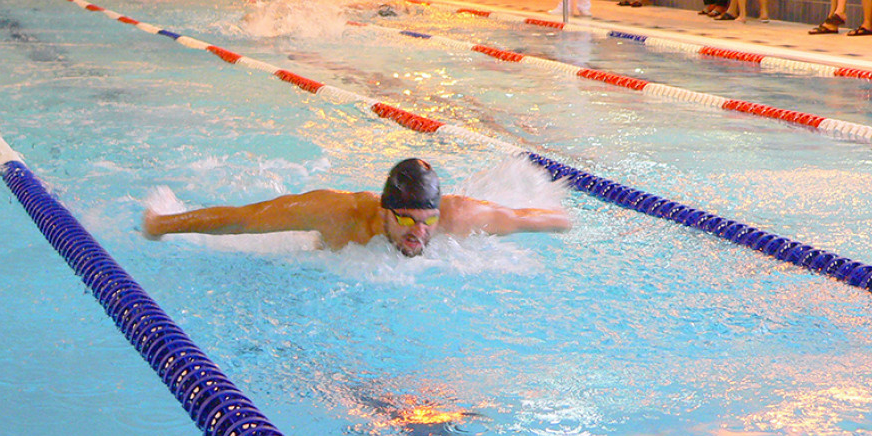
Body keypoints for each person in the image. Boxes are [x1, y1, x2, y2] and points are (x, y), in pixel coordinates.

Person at [142, 158, 571, 258]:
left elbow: (520, 218)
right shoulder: (336, 214)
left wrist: (561, 221)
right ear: (384, 211)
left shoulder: (454, 216)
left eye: (427, 221)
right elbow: (243, 219)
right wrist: (161, 224)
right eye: (406, 220)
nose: (419, 232)